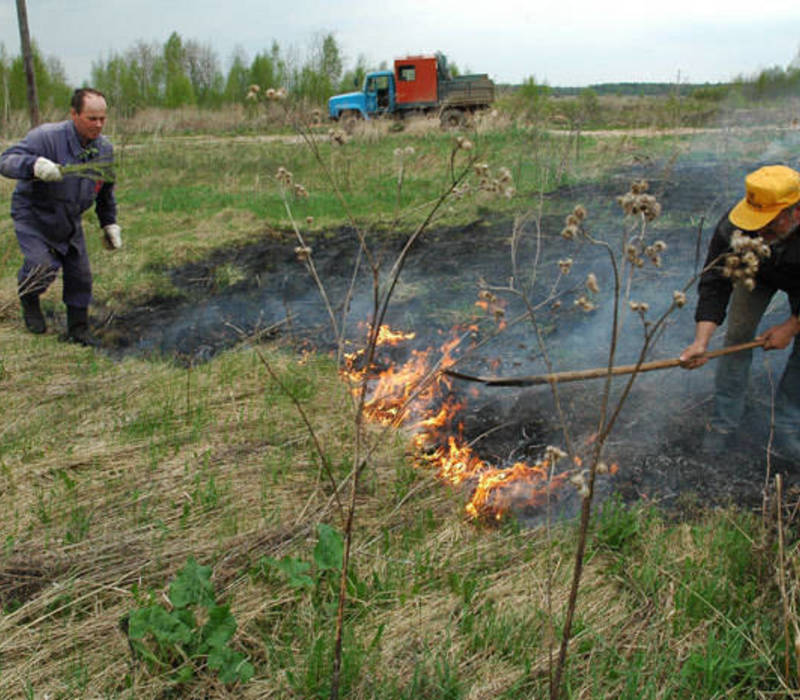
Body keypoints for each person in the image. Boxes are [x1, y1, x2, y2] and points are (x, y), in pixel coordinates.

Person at [680, 164, 800, 461]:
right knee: (736, 337)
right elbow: (714, 282)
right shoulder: (736, 227)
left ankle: (787, 425)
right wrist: (701, 342)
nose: (759, 230)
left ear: (794, 212)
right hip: (758, 273)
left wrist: (792, 325)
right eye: (756, 221)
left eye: (770, 223)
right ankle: (723, 424)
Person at [0, 87, 122, 346]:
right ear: (74, 114)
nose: (98, 125)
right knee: (42, 267)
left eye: (103, 119)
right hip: (35, 215)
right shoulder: (46, 137)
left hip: (69, 218)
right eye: (92, 119)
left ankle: (78, 330)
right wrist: (33, 166)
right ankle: (29, 298)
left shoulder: (104, 150)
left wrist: (109, 223)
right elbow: (6, 160)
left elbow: (105, 190)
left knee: (81, 276)